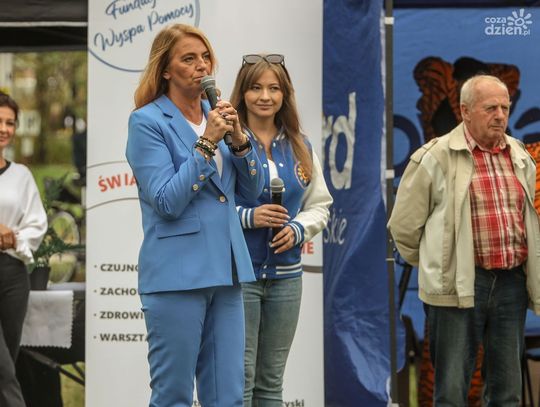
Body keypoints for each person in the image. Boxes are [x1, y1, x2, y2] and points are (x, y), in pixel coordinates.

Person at [125, 24, 264, 407]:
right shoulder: (147, 122)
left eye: (205, 57)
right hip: (176, 275)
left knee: (229, 397)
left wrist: (240, 142)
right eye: (188, 58)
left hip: (226, 271)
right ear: (166, 70)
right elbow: (167, 201)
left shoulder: (218, 116)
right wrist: (206, 143)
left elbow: (252, 190)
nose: (202, 65)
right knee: (173, 396)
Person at [388, 75, 540, 406]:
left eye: (505, 108)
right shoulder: (434, 157)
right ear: (465, 111)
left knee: (508, 393)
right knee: (451, 392)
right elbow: (403, 228)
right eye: (490, 108)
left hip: (511, 284)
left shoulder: (519, 155)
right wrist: (439, 264)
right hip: (458, 284)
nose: (500, 115)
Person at [230, 54, 332, 406]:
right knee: (241, 378)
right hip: (239, 276)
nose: (265, 96)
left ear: (285, 94)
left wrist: (299, 229)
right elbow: (210, 206)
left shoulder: (300, 144)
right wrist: (249, 217)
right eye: (255, 88)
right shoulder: (228, 142)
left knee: (271, 381)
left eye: (274, 88)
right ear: (242, 93)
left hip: (287, 278)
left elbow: (320, 205)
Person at [0, 91, 47, 406]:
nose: (4, 129)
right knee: (3, 370)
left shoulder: (21, 176)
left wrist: (13, 238)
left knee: (8, 359)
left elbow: (37, 224)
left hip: (12, 275)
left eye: (10, 123)